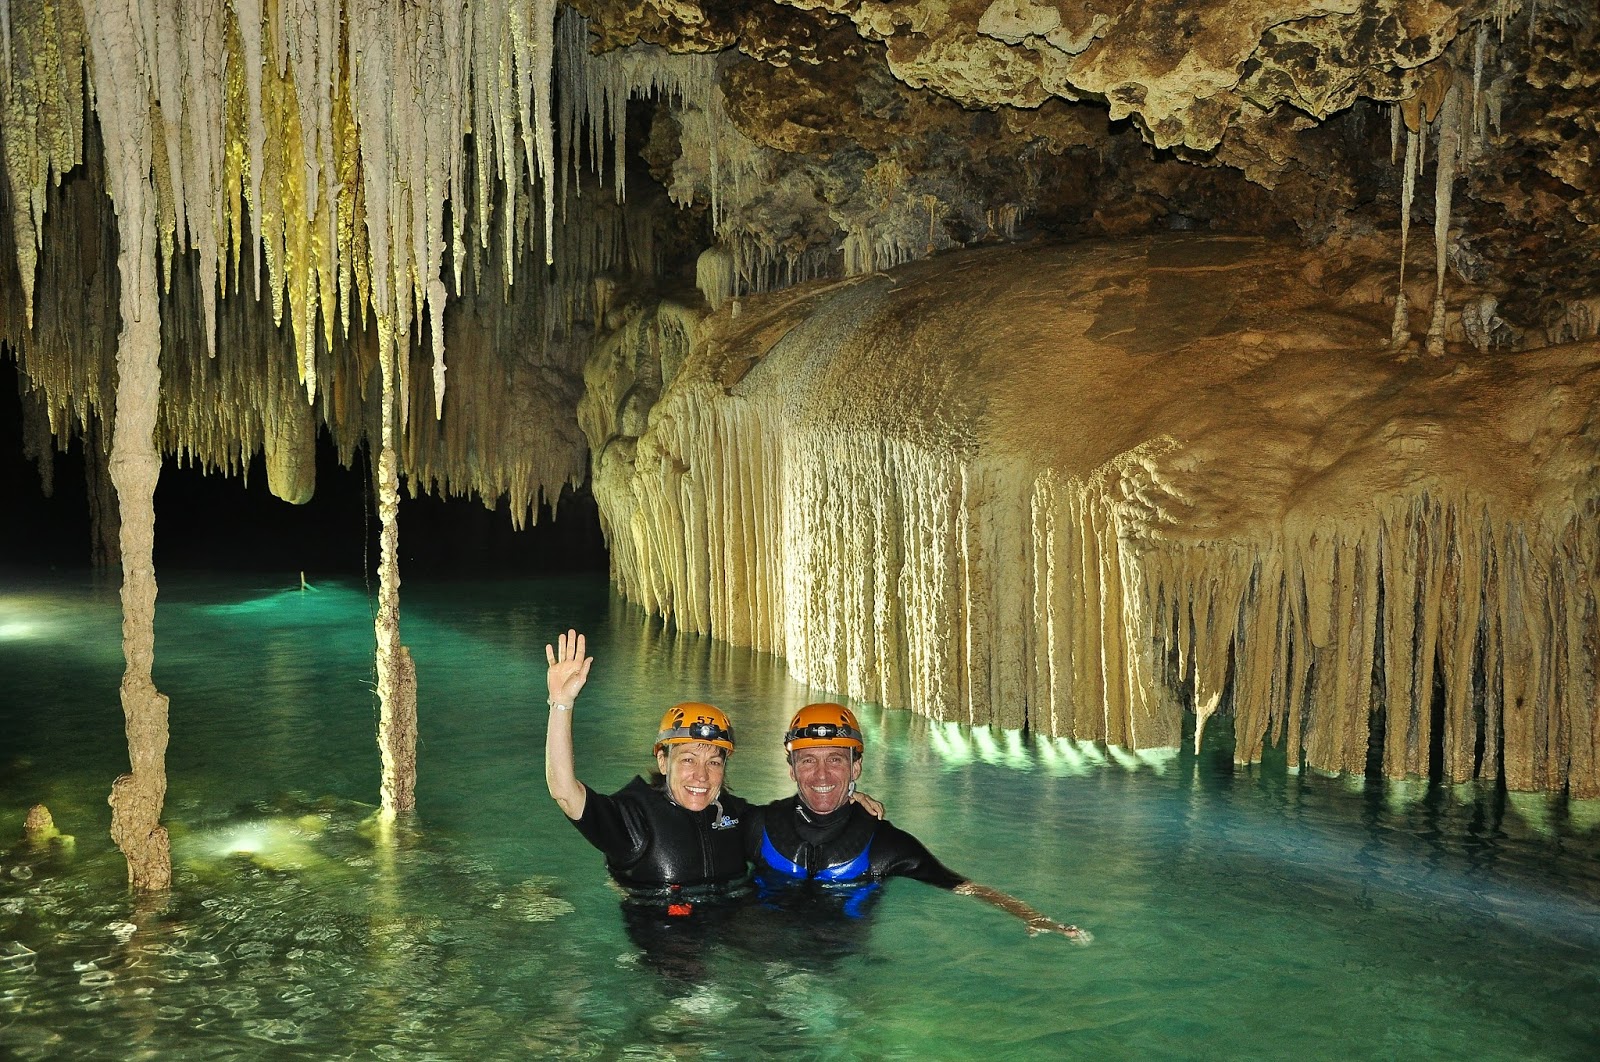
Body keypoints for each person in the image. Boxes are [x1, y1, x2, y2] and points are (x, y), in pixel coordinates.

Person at [748, 702, 1091, 942]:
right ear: (791, 769)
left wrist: (1032, 916)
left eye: (835, 760)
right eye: (808, 760)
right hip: (755, 955)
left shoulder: (884, 845)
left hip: (836, 962)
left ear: (855, 768)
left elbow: (960, 885)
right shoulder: (758, 825)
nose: (821, 774)